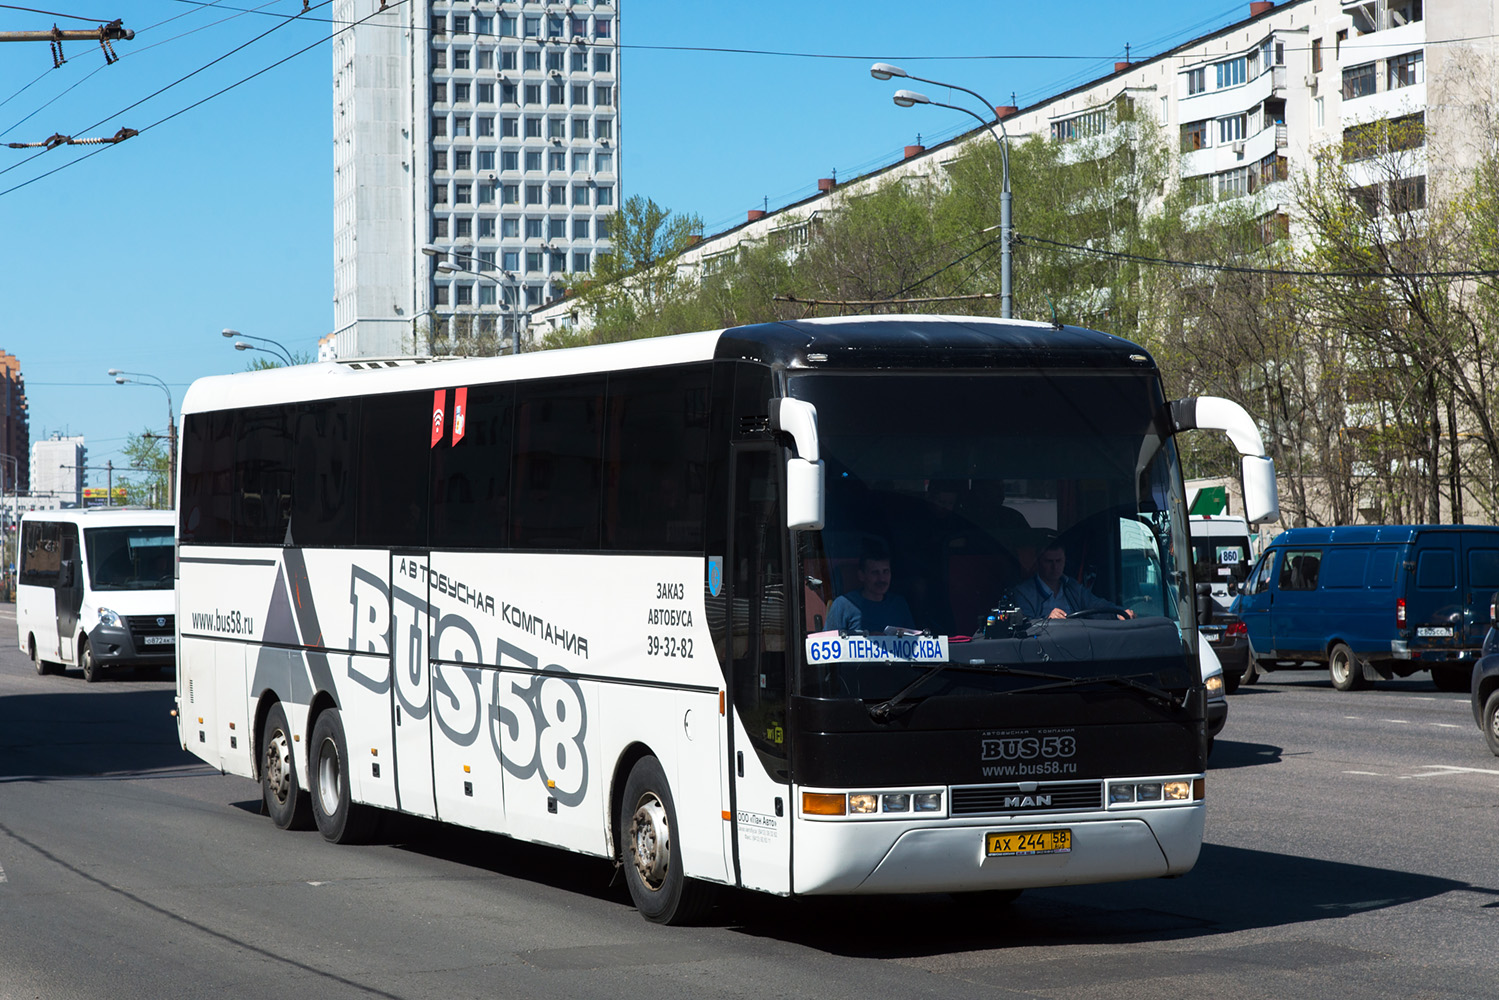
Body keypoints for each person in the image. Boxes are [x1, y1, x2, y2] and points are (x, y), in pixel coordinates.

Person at [1009, 538, 1133, 620]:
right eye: (1049, 561)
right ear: (1039, 562)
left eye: (1059, 561)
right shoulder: (1023, 593)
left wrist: (1120, 612)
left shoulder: (1072, 587)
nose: (1055, 567)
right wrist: (1047, 620)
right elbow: (1024, 625)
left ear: (1065, 561)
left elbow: (1097, 605)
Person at [825, 542, 915, 635]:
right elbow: (828, 640)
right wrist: (868, 637)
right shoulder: (843, 604)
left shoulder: (899, 604)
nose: (882, 579)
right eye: (875, 572)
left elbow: (913, 639)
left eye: (886, 571)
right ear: (861, 575)